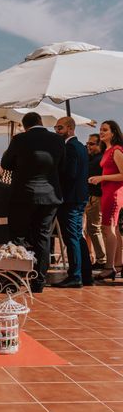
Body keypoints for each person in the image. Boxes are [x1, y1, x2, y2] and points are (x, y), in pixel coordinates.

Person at [1, 112, 65, 293]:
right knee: (42, 237)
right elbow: (62, 166)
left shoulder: (19, 139)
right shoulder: (58, 140)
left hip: (24, 195)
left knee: (18, 236)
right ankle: (39, 281)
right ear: (40, 122)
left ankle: (16, 278)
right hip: (50, 196)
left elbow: (6, 163)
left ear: (24, 125)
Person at [53, 117, 93, 288]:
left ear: (70, 128)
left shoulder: (70, 147)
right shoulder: (81, 147)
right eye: (55, 128)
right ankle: (86, 275)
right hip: (79, 197)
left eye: (60, 128)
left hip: (70, 199)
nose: (57, 131)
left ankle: (75, 276)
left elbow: (70, 174)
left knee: (71, 238)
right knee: (78, 236)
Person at [89, 120, 123, 280]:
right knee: (113, 230)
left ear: (113, 133)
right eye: (100, 130)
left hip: (113, 193)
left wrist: (102, 177)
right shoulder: (108, 150)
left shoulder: (116, 150)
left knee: (108, 229)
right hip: (107, 192)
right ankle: (117, 264)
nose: (101, 132)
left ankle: (109, 267)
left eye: (105, 130)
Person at [85, 133, 107, 269]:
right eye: (88, 143)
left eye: (92, 144)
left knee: (95, 228)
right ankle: (101, 258)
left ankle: (102, 260)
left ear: (100, 145)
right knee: (93, 229)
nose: (89, 146)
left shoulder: (99, 160)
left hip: (97, 197)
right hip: (92, 197)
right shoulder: (93, 158)